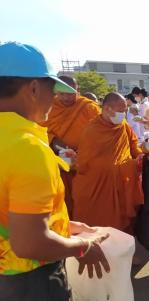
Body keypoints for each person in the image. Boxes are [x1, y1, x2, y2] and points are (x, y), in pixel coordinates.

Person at [0, 41, 109, 301]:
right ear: (33, 88)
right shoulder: (28, 149)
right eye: (51, 88)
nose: (55, 99)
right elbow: (30, 243)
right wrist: (83, 247)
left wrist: (62, 224)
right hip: (30, 281)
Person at [72, 92, 144, 233]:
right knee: (99, 229)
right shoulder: (92, 130)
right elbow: (84, 164)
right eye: (120, 110)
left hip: (122, 183)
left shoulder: (123, 125)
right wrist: (118, 168)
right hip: (99, 186)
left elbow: (134, 146)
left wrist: (142, 157)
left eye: (125, 110)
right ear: (107, 109)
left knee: (122, 231)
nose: (123, 114)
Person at [40, 75, 101, 216]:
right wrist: (53, 141)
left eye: (71, 93)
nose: (67, 98)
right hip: (58, 164)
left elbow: (101, 131)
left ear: (77, 90)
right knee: (63, 201)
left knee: (85, 202)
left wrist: (84, 151)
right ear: (55, 92)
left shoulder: (88, 107)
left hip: (85, 165)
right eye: (62, 94)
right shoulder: (48, 107)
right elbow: (37, 130)